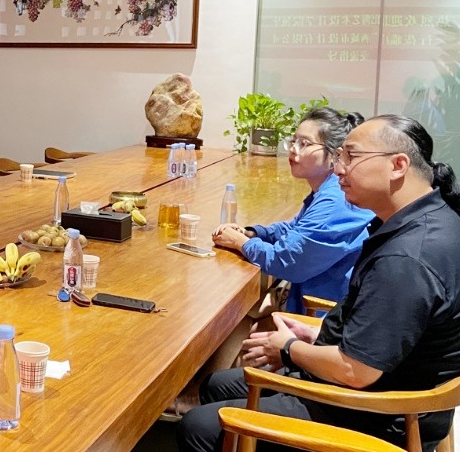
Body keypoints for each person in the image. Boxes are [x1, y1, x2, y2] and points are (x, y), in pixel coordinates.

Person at [179, 114, 460, 451]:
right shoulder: (434, 220)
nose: (339, 169)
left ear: (398, 165)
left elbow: (356, 372)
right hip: (387, 386)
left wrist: (288, 349)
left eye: (351, 157)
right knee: (217, 385)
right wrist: (317, 336)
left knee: (199, 426)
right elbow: (388, 328)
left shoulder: (407, 259)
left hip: (376, 416)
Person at [212, 108, 374, 315]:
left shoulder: (336, 199)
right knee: (245, 313)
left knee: (232, 315)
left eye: (304, 144)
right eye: (293, 141)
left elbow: (286, 262)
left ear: (335, 154)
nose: (293, 149)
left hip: (323, 313)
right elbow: (296, 229)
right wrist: (253, 233)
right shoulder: (328, 189)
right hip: (307, 297)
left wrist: (240, 242)